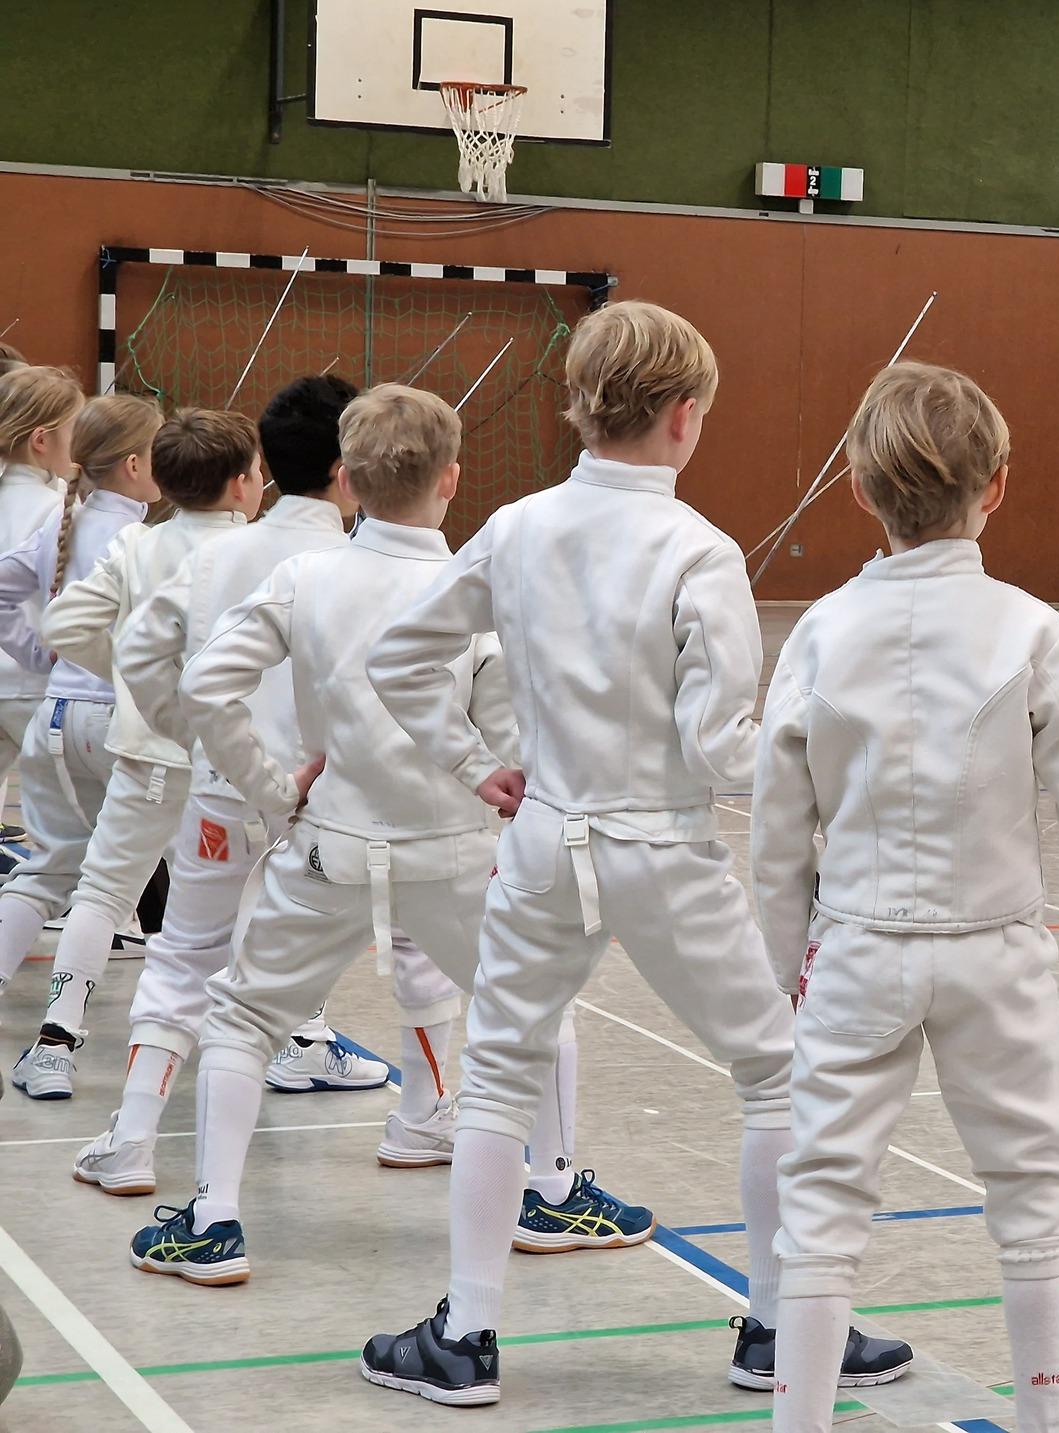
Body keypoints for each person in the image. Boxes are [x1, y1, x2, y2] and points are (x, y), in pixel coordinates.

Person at [361, 302, 904, 1407]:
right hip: (660, 850)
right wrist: (816, 735)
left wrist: (477, 762)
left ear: (581, 404)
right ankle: (780, 1326)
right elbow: (721, 748)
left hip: (544, 846)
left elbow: (400, 654)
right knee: (772, 1072)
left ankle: (464, 1336)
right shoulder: (697, 548)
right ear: (687, 416)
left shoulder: (513, 525)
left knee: (499, 1077)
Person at [753, 362, 1059, 1433]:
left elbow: (780, 836)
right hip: (998, 959)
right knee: (1031, 1196)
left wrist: (786, 975)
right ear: (998, 485)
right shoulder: (1037, 633)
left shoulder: (822, 629)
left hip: (858, 951)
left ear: (861, 490)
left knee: (821, 1205)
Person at [127, 384, 627, 1281]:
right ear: (451, 478)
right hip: (453, 850)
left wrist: (272, 788)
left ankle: (213, 1218)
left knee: (242, 1014)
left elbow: (205, 686)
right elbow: (515, 736)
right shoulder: (476, 586)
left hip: (328, 841)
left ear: (348, 479)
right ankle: (551, 1193)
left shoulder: (307, 575)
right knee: (535, 1008)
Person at [70, 375, 413, 1193]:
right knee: (412, 951)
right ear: (348, 469)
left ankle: (134, 1141)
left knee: (186, 959)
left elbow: (151, 664)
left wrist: (195, 739)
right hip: (338, 806)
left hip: (226, 791)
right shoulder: (369, 564)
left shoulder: (218, 554)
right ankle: (428, 1116)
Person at [13, 410, 264, 1096]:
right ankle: (272, 1043)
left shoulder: (140, 544)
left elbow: (65, 623)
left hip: (149, 748)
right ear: (242, 484)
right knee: (249, 895)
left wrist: (134, 680)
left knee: (103, 887)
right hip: (229, 761)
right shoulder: (262, 550)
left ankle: (56, 1042)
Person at [0, 392, 159, 1059]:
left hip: (55, 720)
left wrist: (39, 652)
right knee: (114, 884)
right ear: (130, 464)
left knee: (47, 869)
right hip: (115, 728)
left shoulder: (70, 519)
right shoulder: (138, 541)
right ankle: (66, 1033)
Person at [0, 368, 80, 847]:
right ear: (42, 439)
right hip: (32, 685)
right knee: (65, 830)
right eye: (74, 431)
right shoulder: (58, 507)